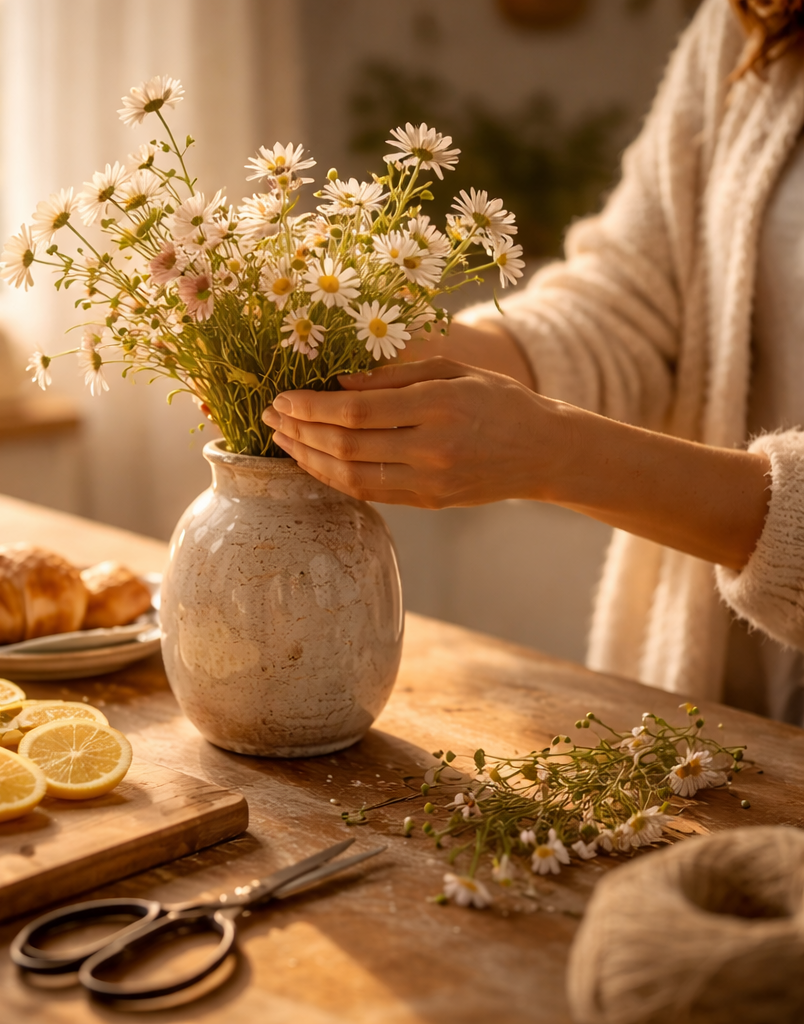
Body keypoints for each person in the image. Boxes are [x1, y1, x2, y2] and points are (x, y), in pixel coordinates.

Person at [261, 0, 804, 722]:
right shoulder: (756, 26)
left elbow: (561, 439)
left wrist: (554, 453)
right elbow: (633, 301)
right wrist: (420, 348)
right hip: (741, 710)